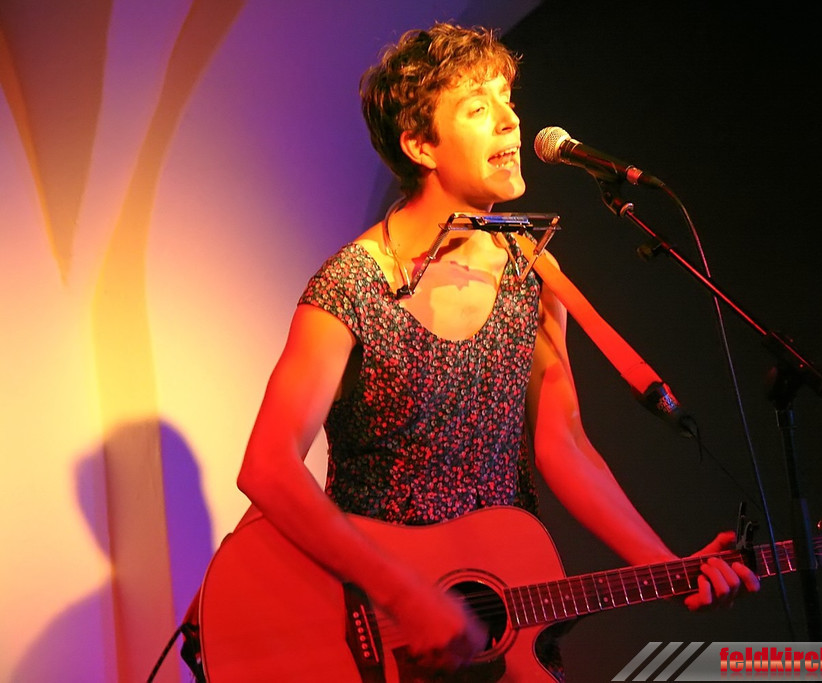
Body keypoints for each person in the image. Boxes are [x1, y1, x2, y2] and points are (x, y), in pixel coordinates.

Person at [234, 21, 759, 678]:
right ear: (420, 144)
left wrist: (667, 566)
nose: (511, 120)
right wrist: (403, 593)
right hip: (376, 629)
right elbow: (268, 466)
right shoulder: (353, 284)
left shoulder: (534, 272)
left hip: (496, 618)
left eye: (508, 100)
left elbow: (564, 446)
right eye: (479, 108)